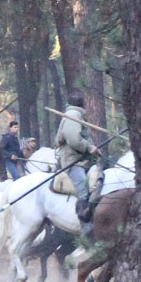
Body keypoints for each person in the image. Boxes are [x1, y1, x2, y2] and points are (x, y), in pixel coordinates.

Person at [55, 93, 99, 241]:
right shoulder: (73, 114)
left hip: (81, 160)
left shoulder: (75, 114)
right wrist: (89, 147)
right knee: (84, 191)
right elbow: (73, 139)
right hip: (73, 162)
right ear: (82, 103)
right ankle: (87, 232)